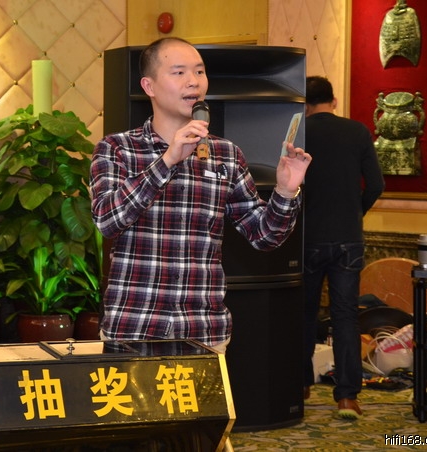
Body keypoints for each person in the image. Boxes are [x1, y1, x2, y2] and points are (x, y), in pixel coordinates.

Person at [89, 37, 311, 354]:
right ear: (149, 86)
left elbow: (264, 236)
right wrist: (167, 160)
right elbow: (108, 221)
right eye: (179, 72)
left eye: (199, 71)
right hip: (134, 328)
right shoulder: (117, 149)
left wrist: (286, 192)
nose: (193, 82)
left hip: (204, 332)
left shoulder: (226, 154)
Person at [303, 76, 385, 419]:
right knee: (346, 316)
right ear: (334, 101)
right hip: (348, 238)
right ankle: (347, 397)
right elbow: (376, 184)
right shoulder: (358, 131)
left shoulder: (300, 132)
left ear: (304, 104)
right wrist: (355, 213)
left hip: (308, 237)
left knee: (304, 313)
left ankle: (299, 386)